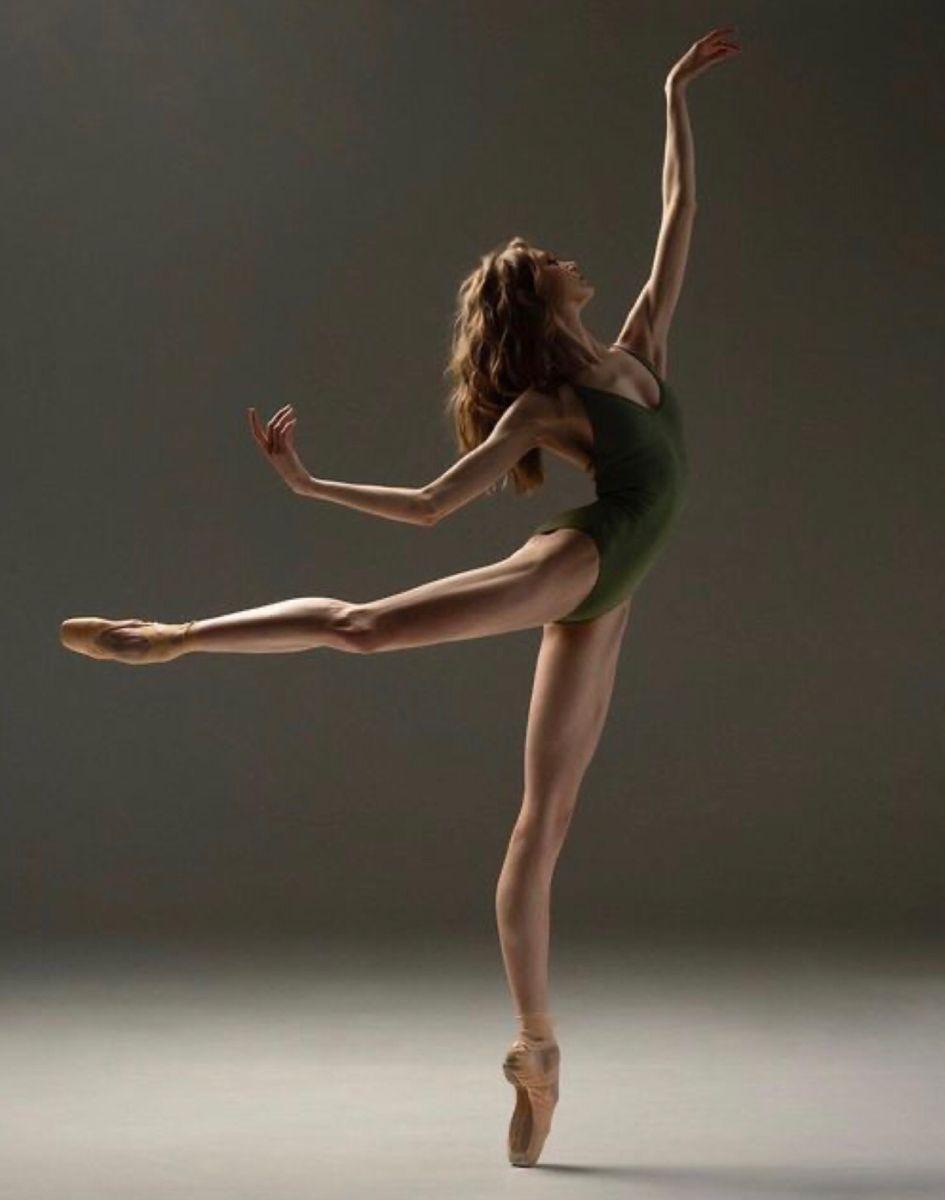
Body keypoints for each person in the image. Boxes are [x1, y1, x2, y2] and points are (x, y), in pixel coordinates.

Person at [59, 26, 741, 1167]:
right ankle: (168, 637)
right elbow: (431, 505)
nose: (570, 256)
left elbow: (679, 213)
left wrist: (674, 94)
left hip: (609, 597)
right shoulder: (546, 409)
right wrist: (310, 483)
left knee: (541, 826)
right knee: (366, 629)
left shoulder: (639, 349)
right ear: (535, 295)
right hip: (579, 565)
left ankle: (538, 1056)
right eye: (548, 256)